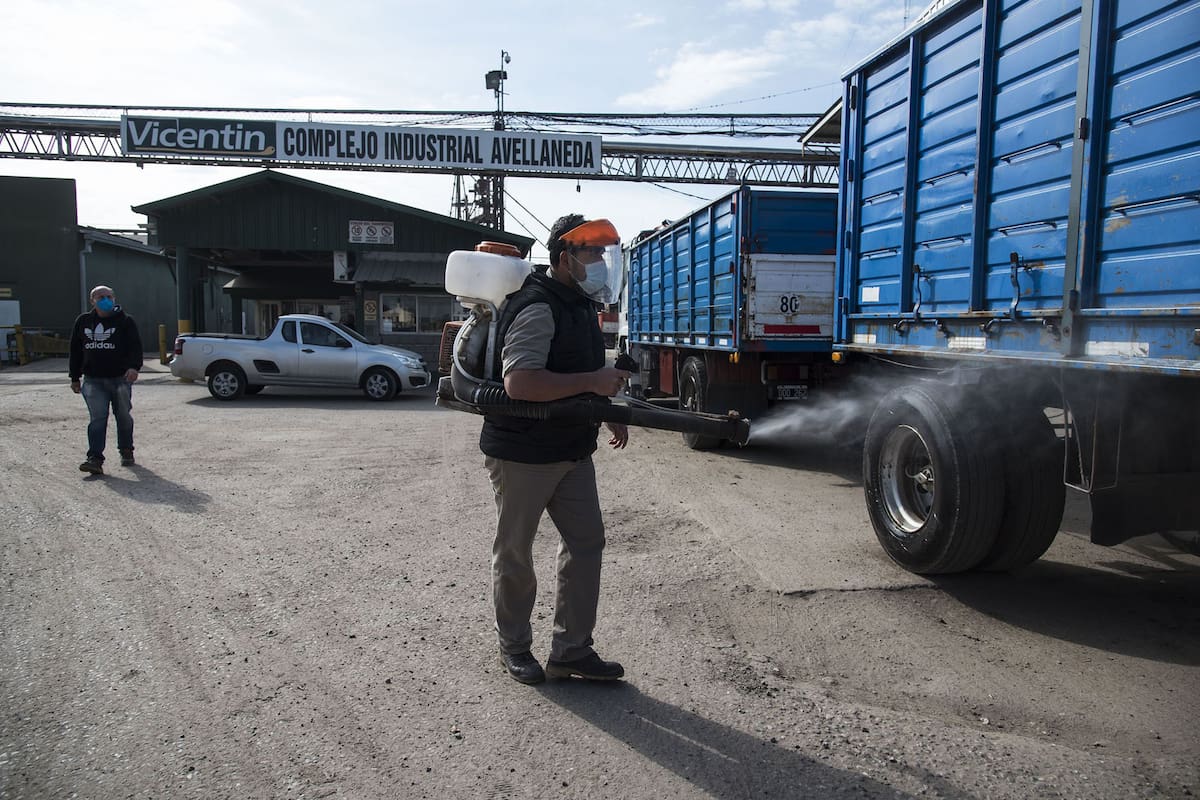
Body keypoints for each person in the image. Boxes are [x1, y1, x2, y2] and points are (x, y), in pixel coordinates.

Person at [482, 214, 631, 685]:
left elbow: (581, 366)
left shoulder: (580, 303)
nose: (600, 263)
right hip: (523, 452)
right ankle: (515, 647)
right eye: (591, 255)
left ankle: (571, 650)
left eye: (604, 255)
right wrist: (592, 382)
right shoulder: (538, 305)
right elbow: (521, 382)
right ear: (565, 259)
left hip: (571, 449)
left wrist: (605, 405)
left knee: (586, 544)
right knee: (516, 553)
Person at [68, 285, 143, 474]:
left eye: (109, 296)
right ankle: (95, 458)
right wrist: (75, 377)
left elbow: (135, 347)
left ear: (114, 299)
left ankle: (126, 450)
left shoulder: (126, 321)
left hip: (120, 379)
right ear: (92, 300)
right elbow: (75, 351)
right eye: (101, 296)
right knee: (97, 419)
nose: (106, 299)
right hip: (93, 380)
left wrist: (134, 367)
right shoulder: (84, 321)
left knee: (124, 416)